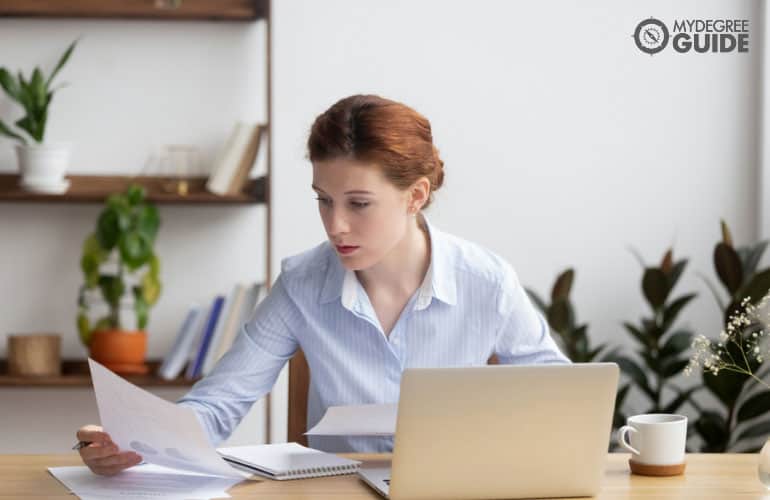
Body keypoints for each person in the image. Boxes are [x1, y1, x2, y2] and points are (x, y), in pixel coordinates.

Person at [75, 94, 569, 476]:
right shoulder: (302, 284)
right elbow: (220, 403)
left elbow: (562, 401)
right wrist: (139, 442)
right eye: (323, 200)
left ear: (415, 195)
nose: (335, 226)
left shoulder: (486, 282)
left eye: (358, 203)